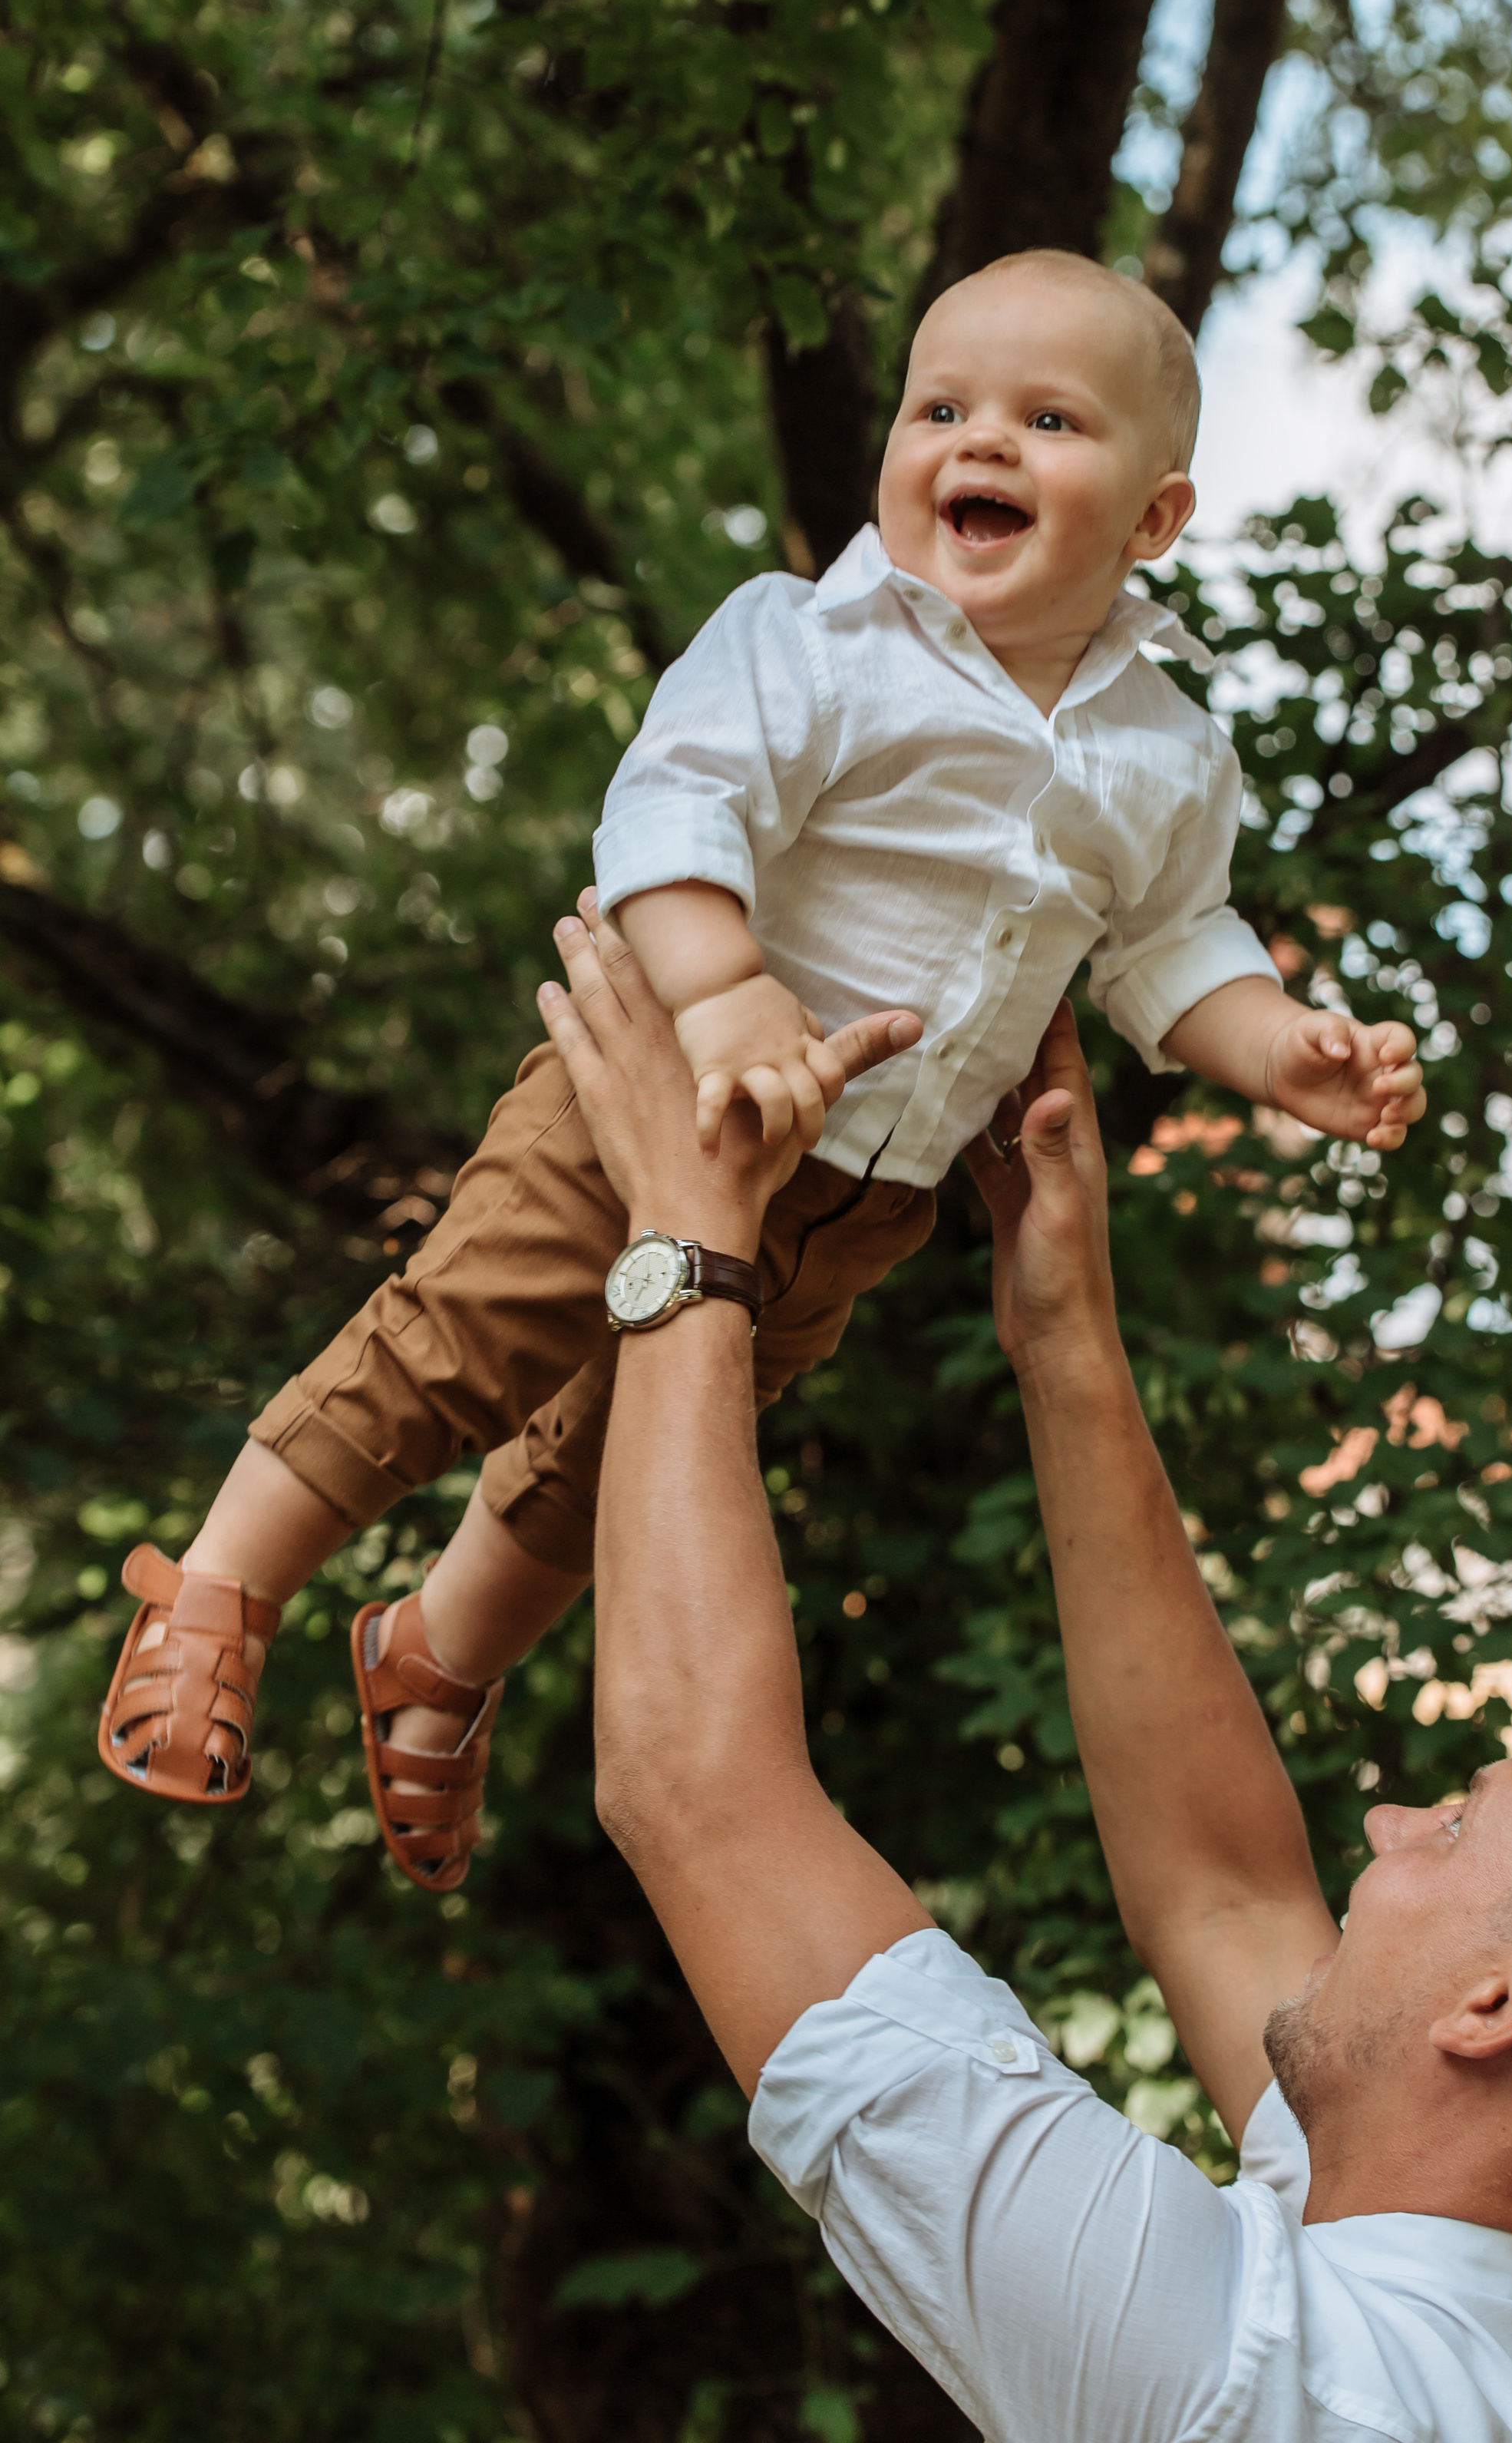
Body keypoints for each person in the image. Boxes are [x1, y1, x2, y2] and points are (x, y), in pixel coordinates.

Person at [97, 248, 1427, 1883]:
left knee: (624, 1456)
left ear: (1153, 520)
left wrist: (1277, 1049)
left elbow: (1170, 949)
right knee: (462, 1337)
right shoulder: (813, 643)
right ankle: (222, 1584)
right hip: (651, 1098)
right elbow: (672, 809)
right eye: (939, 405)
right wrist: (724, 992)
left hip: (857, 1202)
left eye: (1045, 418)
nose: (979, 442)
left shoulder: (1165, 752)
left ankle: (438, 1656)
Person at [542, 909, 1512, 2443]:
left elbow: (698, 1798)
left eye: (1450, 1826)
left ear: (1503, 2004)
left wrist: (685, 1231)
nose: (1379, 1831)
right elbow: (1222, 1892)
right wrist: (1062, 1329)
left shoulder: (1245, 2378)